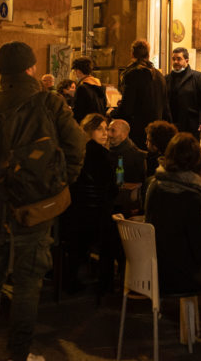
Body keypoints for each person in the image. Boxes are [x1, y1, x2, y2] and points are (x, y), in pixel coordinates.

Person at [0, 41, 85, 361]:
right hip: (34, 208)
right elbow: (77, 147)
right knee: (27, 282)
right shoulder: (50, 103)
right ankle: (20, 353)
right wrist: (58, 181)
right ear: (31, 68)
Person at [145, 133, 201, 296]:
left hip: (152, 269)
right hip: (181, 277)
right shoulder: (191, 197)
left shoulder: (153, 185)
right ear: (197, 161)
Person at [60, 113, 117, 294]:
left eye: (106, 129)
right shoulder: (104, 156)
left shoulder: (75, 153)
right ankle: (106, 283)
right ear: (88, 130)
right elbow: (112, 189)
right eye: (99, 129)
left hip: (73, 215)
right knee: (114, 235)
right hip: (97, 219)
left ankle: (71, 279)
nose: (105, 133)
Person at [111, 39, 170, 147]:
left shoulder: (132, 74)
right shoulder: (159, 76)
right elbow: (166, 107)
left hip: (137, 132)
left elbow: (127, 109)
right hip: (156, 132)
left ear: (132, 54)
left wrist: (112, 113)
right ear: (148, 54)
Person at [166, 47, 201, 139]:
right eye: (174, 59)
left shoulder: (197, 77)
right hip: (172, 125)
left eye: (179, 59)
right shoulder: (167, 79)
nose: (175, 62)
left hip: (191, 125)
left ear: (186, 60)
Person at [71, 56, 107, 123]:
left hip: (87, 125)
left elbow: (78, 112)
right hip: (99, 124)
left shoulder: (82, 88)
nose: (75, 73)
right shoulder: (100, 85)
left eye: (75, 71)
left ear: (78, 71)